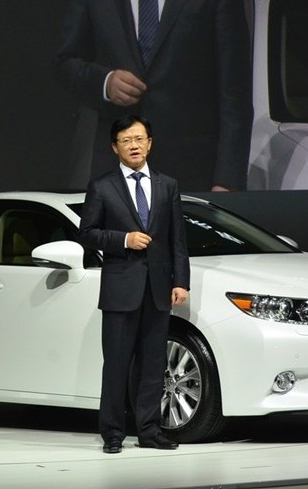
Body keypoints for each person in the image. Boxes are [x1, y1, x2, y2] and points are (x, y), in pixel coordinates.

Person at [55, 0, 254, 192]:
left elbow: (235, 92)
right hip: (116, 171)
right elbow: (66, 63)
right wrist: (106, 83)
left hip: (192, 174)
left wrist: (227, 181)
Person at [78, 115, 190, 454]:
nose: (134, 145)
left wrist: (181, 282)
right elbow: (87, 233)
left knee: (153, 365)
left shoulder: (168, 185)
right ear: (115, 147)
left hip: (158, 289)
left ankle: (150, 431)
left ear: (150, 143)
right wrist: (124, 239)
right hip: (120, 290)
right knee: (116, 365)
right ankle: (113, 433)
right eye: (126, 140)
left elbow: (177, 239)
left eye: (139, 139)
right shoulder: (102, 186)